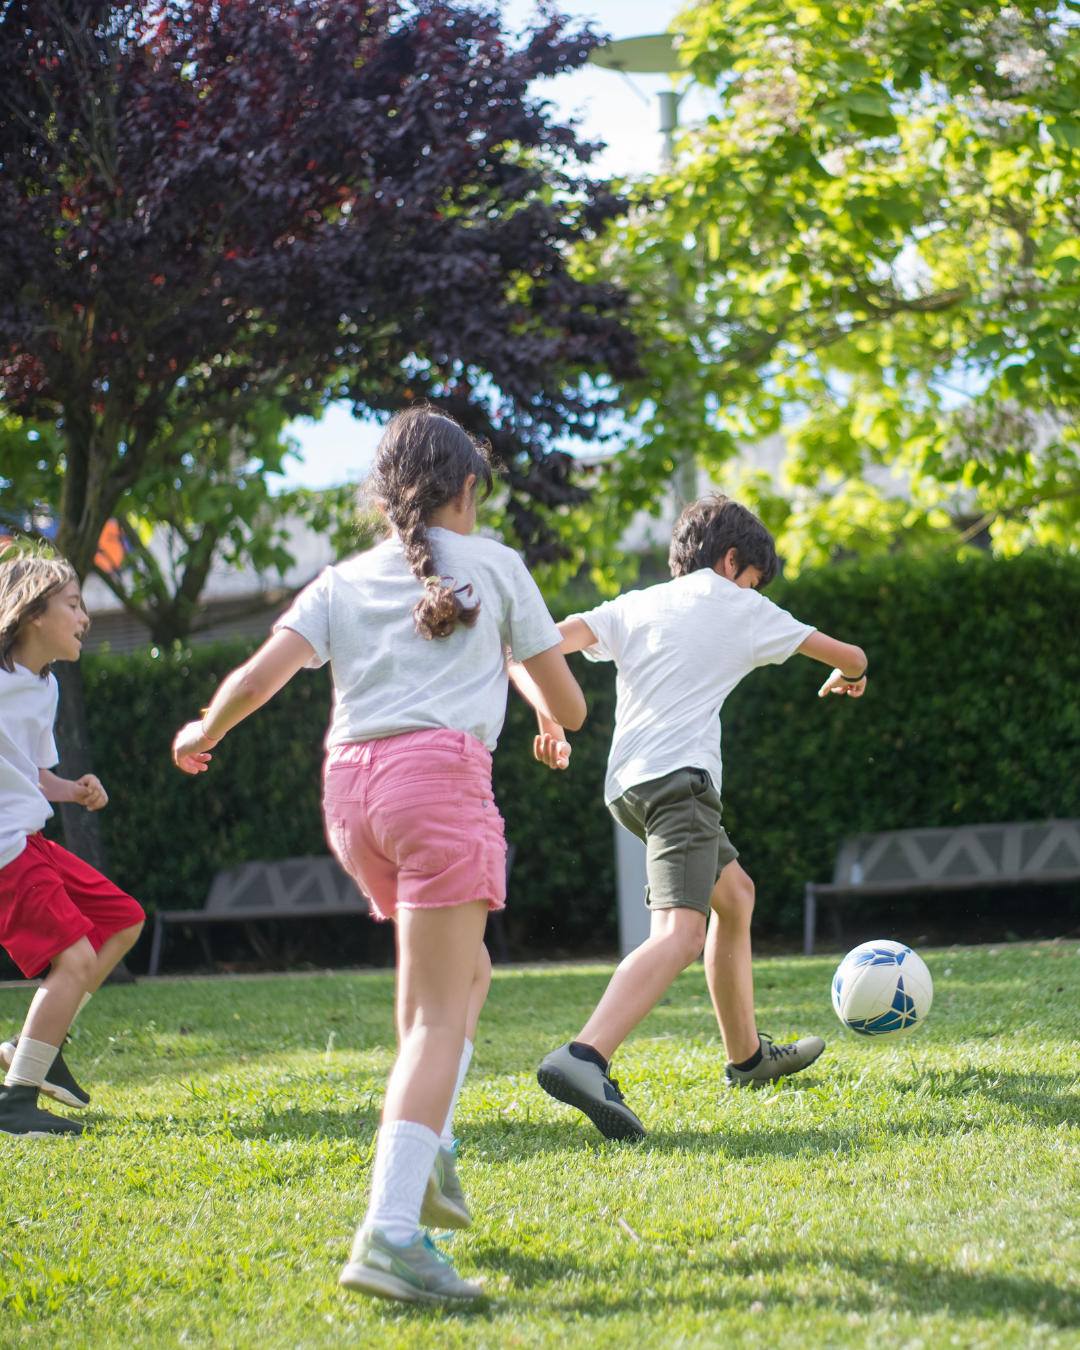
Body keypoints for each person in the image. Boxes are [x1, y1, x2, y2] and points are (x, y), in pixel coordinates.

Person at [172, 406, 585, 1305]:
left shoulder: (345, 577)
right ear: (467, 489)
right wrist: (552, 709)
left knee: (456, 977)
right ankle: (392, 1233)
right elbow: (572, 703)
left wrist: (205, 727)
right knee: (443, 1012)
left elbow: (260, 676)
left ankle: (427, 1146)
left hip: (352, 798)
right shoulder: (498, 566)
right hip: (437, 787)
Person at [534, 495, 869, 1139]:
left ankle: (746, 1059)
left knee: (735, 896)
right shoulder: (739, 604)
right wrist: (850, 676)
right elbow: (849, 654)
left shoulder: (636, 603)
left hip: (628, 786)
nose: (752, 591)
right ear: (733, 560)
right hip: (679, 784)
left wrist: (550, 716)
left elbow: (549, 642)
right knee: (681, 936)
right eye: (751, 578)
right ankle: (584, 1056)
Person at [0, 545, 145, 1138]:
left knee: (123, 918)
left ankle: (38, 1042)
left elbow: (31, 774)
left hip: (28, 837)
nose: (86, 618)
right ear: (34, 613)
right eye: (75, 605)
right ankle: (15, 1103)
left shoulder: (46, 687)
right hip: (5, 851)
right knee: (77, 956)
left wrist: (73, 789)